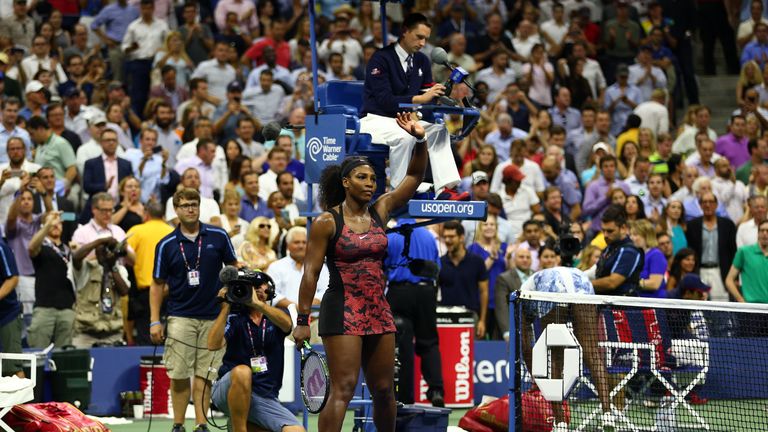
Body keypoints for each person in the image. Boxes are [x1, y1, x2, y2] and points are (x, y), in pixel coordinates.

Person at [292, 113, 427, 431]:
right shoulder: (327, 221)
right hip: (342, 311)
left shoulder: (381, 209)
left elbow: (415, 175)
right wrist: (301, 321)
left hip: (379, 312)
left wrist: (419, 139)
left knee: (384, 391)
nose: (370, 184)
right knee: (343, 389)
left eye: (373, 178)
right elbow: (310, 274)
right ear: (345, 182)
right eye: (362, 178)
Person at [150, 188, 238, 432]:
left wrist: (229, 291)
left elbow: (233, 267)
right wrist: (154, 320)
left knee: (205, 374)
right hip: (179, 316)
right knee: (178, 373)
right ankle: (178, 424)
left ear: (199, 207)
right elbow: (157, 285)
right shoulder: (166, 244)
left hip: (214, 315)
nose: (190, 208)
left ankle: (201, 424)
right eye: (184, 205)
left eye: (194, 204)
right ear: (176, 210)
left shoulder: (219, 236)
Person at [359, 13, 466, 201]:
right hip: (375, 119)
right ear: (405, 32)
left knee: (439, 130)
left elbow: (427, 94)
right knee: (408, 135)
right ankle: (399, 193)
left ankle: (446, 190)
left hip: (405, 120)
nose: (423, 43)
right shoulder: (381, 58)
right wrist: (421, 99)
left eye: (426, 38)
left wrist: (439, 95)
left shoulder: (422, 61)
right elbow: (384, 100)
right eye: (419, 37)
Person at [519, 265, 614, 430]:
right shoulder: (532, 285)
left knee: (555, 355)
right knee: (592, 353)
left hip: (552, 287)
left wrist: (537, 381)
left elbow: (527, 349)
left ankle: (560, 421)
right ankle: (608, 413)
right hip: (582, 282)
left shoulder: (520, 299)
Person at [208, 271, 304, 432]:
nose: (255, 290)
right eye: (250, 287)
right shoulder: (235, 317)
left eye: (259, 286)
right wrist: (225, 308)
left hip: (264, 396)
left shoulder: (275, 317)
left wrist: (258, 304)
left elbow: (287, 325)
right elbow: (212, 344)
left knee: (296, 430)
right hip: (230, 389)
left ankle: (240, 425)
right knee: (242, 372)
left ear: (269, 290)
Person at [384, 218, 444, 405]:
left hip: (399, 292)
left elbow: (382, 266)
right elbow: (437, 268)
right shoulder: (428, 235)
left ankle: (405, 397)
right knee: (429, 342)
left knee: (401, 345)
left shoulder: (391, 235)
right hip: (426, 292)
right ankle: (436, 390)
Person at [26, 211, 75, 348]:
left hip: (67, 308)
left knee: (64, 358)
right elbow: (31, 248)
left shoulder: (68, 249)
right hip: (44, 307)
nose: (56, 225)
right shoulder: (42, 248)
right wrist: (47, 225)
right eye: (52, 222)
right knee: (37, 353)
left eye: (59, 222)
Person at [439, 220, 489, 338]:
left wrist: (482, 320)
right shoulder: (440, 262)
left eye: (451, 237)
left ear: (461, 238)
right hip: (446, 318)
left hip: (470, 316)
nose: (447, 240)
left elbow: (484, 292)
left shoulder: (477, 262)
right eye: (445, 237)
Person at [685, 192, 737, 302]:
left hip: (720, 271)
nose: (708, 205)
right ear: (700, 205)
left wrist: (734, 277)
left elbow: (733, 251)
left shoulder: (727, 225)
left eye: (711, 202)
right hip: (699, 271)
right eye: (704, 202)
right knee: (698, 308)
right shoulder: (692, 225)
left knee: (721, 308)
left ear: (716, 205)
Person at [591, 205, 645, 295]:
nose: (605, 235)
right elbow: (596, 271)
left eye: (610, 231)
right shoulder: (609, 247)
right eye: (603, 230)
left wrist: (584, 284)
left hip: (623, 306)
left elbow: (612, 283)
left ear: (623, 228)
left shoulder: (629, 252)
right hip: (605, 303)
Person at [494, 247, 533, 342]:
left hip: (532, 330)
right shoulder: (504, 278)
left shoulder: (536, 277)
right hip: (514, 329)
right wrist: (507, 332)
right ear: (514, 259)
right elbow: (501, 307)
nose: (525, 260)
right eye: (521, 257)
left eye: (528, 257)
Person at [725, 220, 768, 304]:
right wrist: (741, 300)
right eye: (762, 230)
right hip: (750, 309)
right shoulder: (744, 252)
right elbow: (729, 280)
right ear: (758, 233)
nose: (765, 233)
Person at [629, 220, 668, 298]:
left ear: (646, 236)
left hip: (653, 304)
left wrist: (631, 284)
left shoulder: (656, 255)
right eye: (631, 234)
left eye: (635, 234)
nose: (631, 238)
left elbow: (654, 284)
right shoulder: (638, 255)